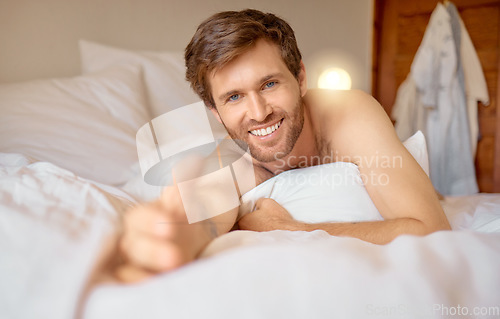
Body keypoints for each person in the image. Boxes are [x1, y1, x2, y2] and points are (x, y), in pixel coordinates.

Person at [114, 9, 451, 283]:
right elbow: (202, 219)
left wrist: (297, 230)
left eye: (269, 83)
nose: (259, 112)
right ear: (215, 113)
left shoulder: (349, 116)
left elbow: (430, 228)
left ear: (301, 78)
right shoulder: (230, 160)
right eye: (234, 97)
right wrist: (171, 238)